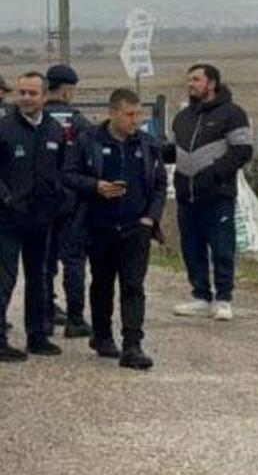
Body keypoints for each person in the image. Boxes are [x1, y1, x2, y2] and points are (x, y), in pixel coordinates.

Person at [66, 89, 165, 370]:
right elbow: (69, 175)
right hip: (100, 226)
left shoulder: (147, 144)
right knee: (102, 283)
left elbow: (159, 184)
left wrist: (151, 218)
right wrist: (96, 186)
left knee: (133, 285)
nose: (135, 120)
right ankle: (102, 334)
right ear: (113, 113)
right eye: (129, 114)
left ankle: (133, 345)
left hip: (136, 227)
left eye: (138, 114)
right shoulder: (88, 141)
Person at [163, 64, 252, 321]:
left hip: (217, 195)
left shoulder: (232, 114)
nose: (190, 84)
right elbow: (178, 150)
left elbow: (242, 150)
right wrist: (159, 152)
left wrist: (213, 173)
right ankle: (200, 295)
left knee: (222, 247)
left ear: (211, 83)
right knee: (191, 247)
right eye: (189, 80)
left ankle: (224, 298)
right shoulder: (183, 117)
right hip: (186, 195)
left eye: (196, 79)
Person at [0, 72, 71, 361]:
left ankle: (37, 335)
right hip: (7, 220)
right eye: (22, 93)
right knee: (5, 278)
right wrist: (6, 197)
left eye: (32, 93)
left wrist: (57, 203)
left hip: (41, 220)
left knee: (39, 278)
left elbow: (61, 170)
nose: (26, 98)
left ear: (44, 96)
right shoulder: (4, 128)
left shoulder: (54, 130)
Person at [44, 63, 92, 338]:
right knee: (74, 260)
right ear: (66, 90)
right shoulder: (79, 121)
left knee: (43, 260)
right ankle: (75, 319)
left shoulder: (36, 119)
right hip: (73, 200)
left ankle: (45, 314)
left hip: (43, 200)